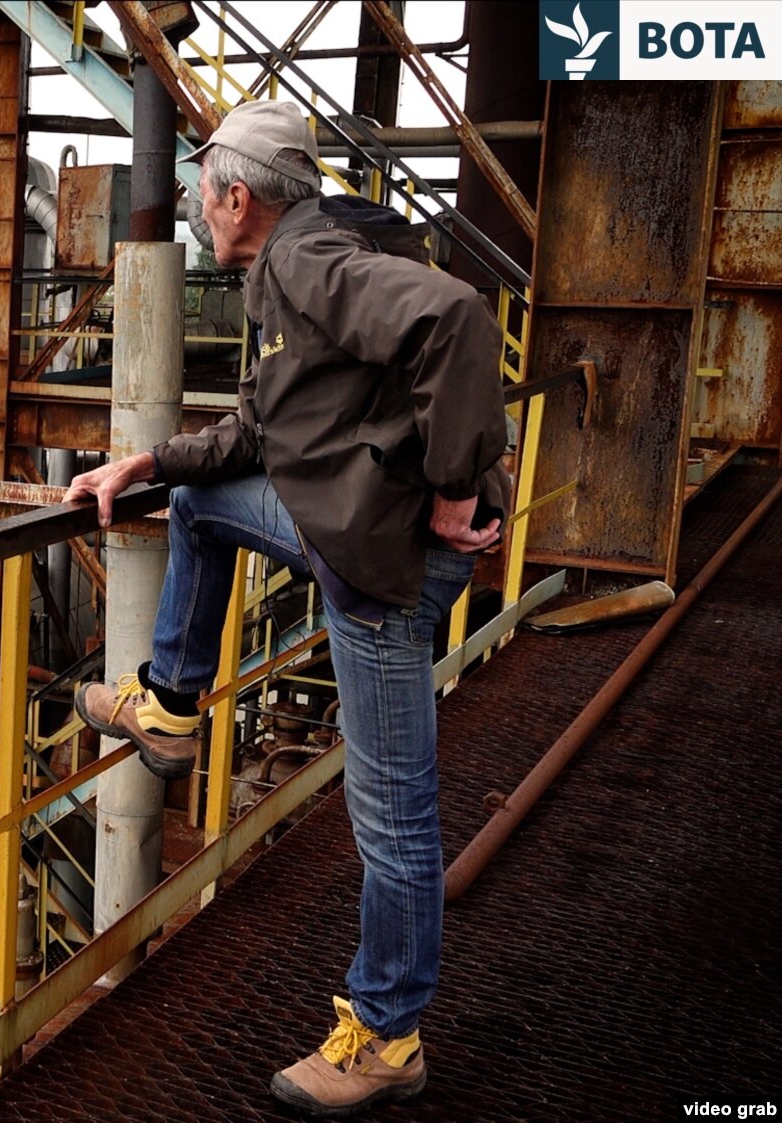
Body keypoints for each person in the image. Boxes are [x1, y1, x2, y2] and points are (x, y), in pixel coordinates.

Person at [65, 100, 510, 1117]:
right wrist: (148, 461)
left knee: (393, 821)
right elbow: (257, 433)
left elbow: (457, 321)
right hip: (348, 523)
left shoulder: (306, 263)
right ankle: (169, 704)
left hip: (383, 565)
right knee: (199, 502)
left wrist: (454, 486)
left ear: (238, 199)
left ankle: (386, 1036)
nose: (194, 207)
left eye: (202, 191)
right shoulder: (300, 260)